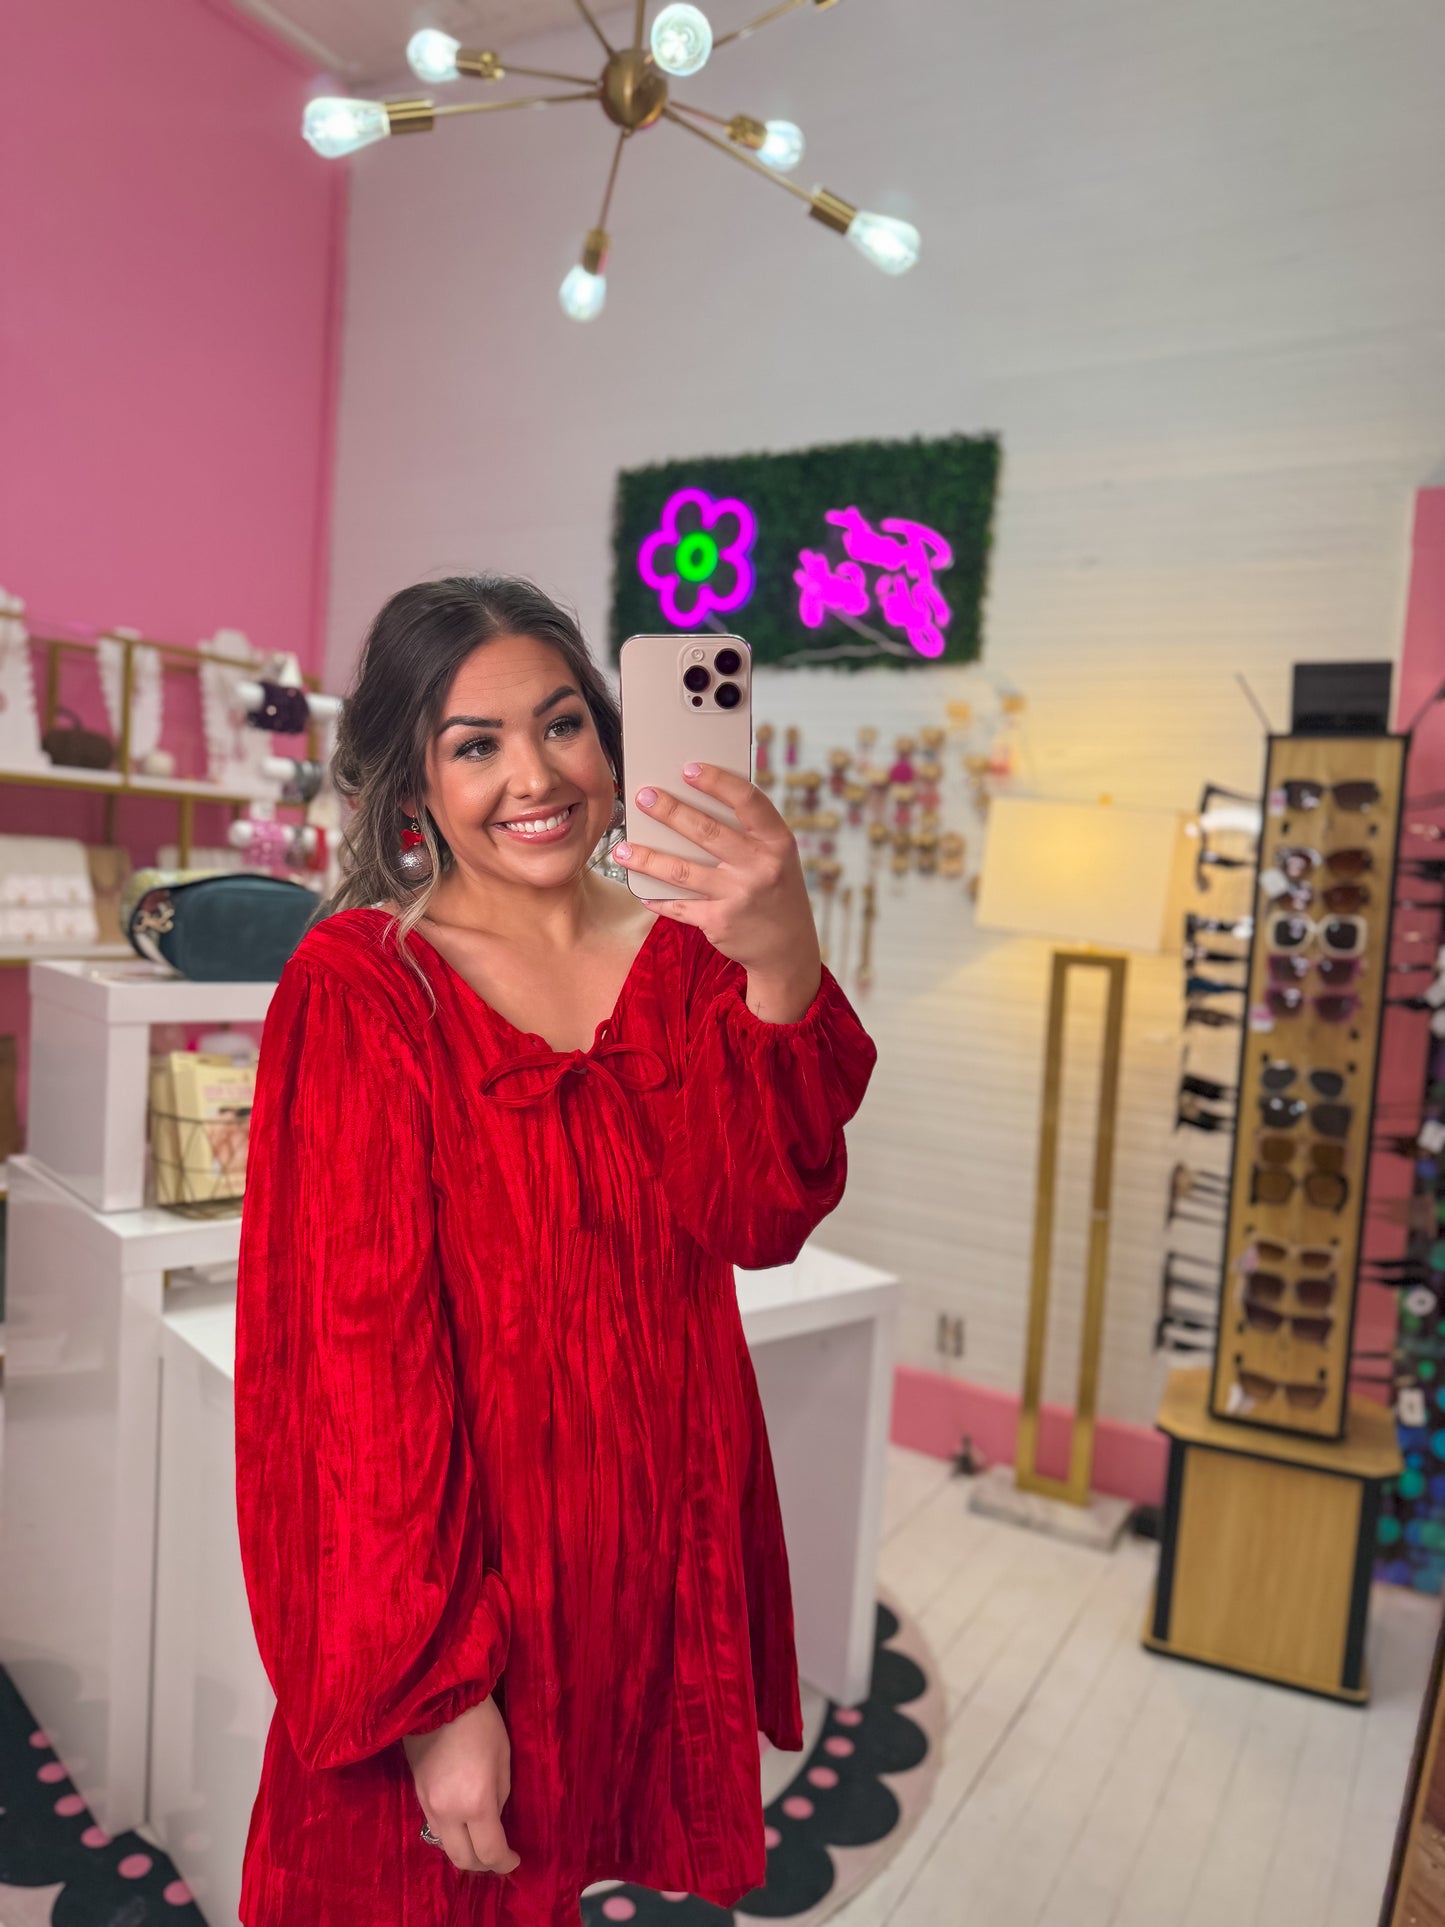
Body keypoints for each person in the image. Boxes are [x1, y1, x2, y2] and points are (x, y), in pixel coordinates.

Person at [233, 575, 877, 1927]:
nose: (533, 774)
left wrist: (783, 961)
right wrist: (435, 1693)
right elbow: (354, 1376)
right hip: (474, 1596)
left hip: (650, 1568)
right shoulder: (366, 985)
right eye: (475, 743)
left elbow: (761, 1218)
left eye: (564, 723)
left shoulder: (692, 959)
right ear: (412, 780)